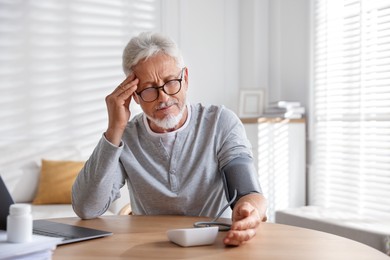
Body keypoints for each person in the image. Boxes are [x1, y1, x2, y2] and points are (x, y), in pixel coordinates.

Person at [72, 32, 267, 246]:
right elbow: (86, 208)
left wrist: (250, 210)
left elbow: (248, 192)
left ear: (185, 79)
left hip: (210, 244)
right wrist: (114, 129)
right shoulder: (125, 136)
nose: (164, 98)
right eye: (148, 89)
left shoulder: (221, 123)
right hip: (147, 248)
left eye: (171, 82)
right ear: (134, 96)